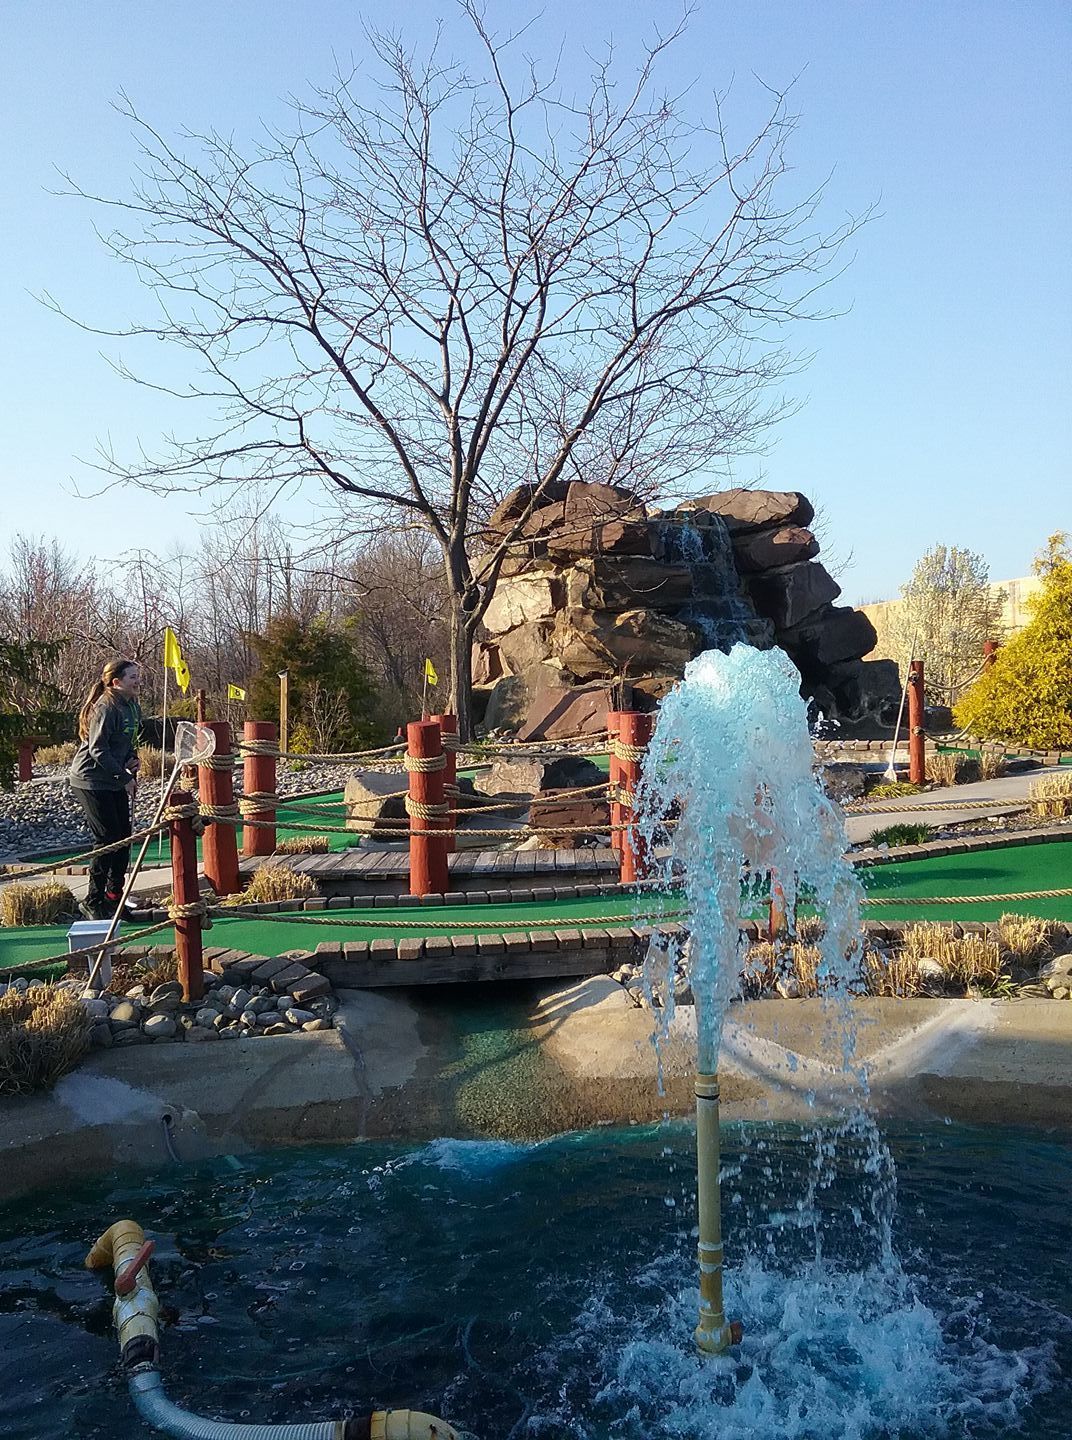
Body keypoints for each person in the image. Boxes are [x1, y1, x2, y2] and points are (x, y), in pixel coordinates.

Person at [69, 658, 143, 921]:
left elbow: (130, 739)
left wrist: (131, 760)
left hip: (113, 778)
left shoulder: (132, 706)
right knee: (107, 839)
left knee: (123, 837)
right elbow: (97, 748)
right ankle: (92, 899)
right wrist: (123, 777)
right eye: (132, 677)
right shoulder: (105, 707)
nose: (138, 681)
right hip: (91, 779)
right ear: (116, 682)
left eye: (137, 676)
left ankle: (114, 897)